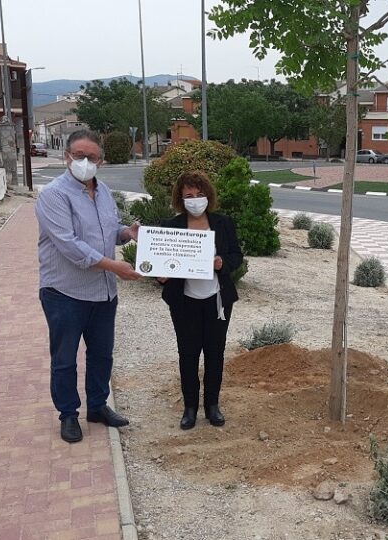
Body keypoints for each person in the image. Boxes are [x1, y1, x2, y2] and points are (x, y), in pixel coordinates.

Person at [35, 129, 142, 444]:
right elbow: (71, 246)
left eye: (91, 157)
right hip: (65, 293)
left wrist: (128, 232)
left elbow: (109, 231)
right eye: (79, 155)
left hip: (103, 293)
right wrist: (116, 267)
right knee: (65, 358)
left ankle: (97, 406)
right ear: (66, 156)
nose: (84, 162)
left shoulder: (105, 191)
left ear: (101, 161)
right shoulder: (53, 195)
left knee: (102, 354)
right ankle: (68, 414)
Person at [158, 171, 243, 430]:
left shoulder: (223, 223)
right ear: (180, 199)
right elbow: (163, 262)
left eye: (200, 194)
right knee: (188, 354)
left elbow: (236, 255)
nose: (195, 200)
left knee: (215, 354)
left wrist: (222, 263)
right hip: (185, 302)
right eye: (189, 196)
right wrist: (161, 276)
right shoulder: (172, 227)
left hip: (217, 301)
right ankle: (190, 408)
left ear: (208, 195)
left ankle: (213, 405)